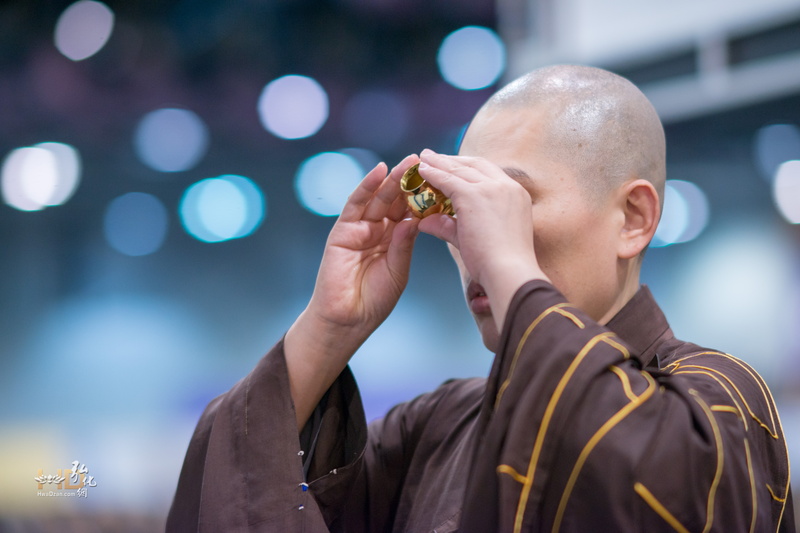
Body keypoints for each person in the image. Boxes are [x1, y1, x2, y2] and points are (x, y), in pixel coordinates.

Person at [167, 65, 794, 532]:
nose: (472, 240)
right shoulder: (439, 426)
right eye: (460, 211)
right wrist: (329, 327)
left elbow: (643, 487)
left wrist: (514, 266)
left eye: (507, 204)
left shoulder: (720, 397)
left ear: (633, 218)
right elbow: (237, 492)